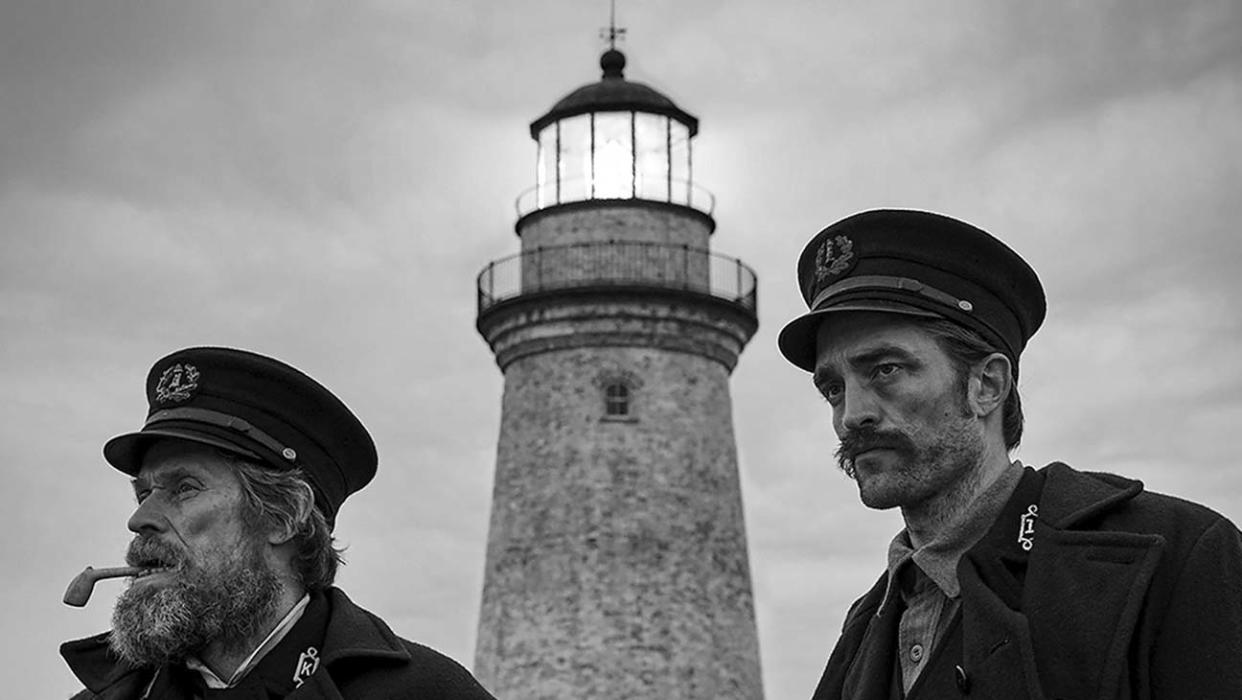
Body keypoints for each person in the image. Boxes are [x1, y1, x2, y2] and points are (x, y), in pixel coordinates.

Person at [777, 209, 1242, 699]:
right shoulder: (865, 626)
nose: (852, 414)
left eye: (886, 370)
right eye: (832, 388)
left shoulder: (1173, 557)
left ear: (987, 385)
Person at [61, 347, 497, 699]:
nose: (140, 520)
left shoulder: (426, 693)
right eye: (143, 493)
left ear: (284, 517)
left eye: (184, 488)